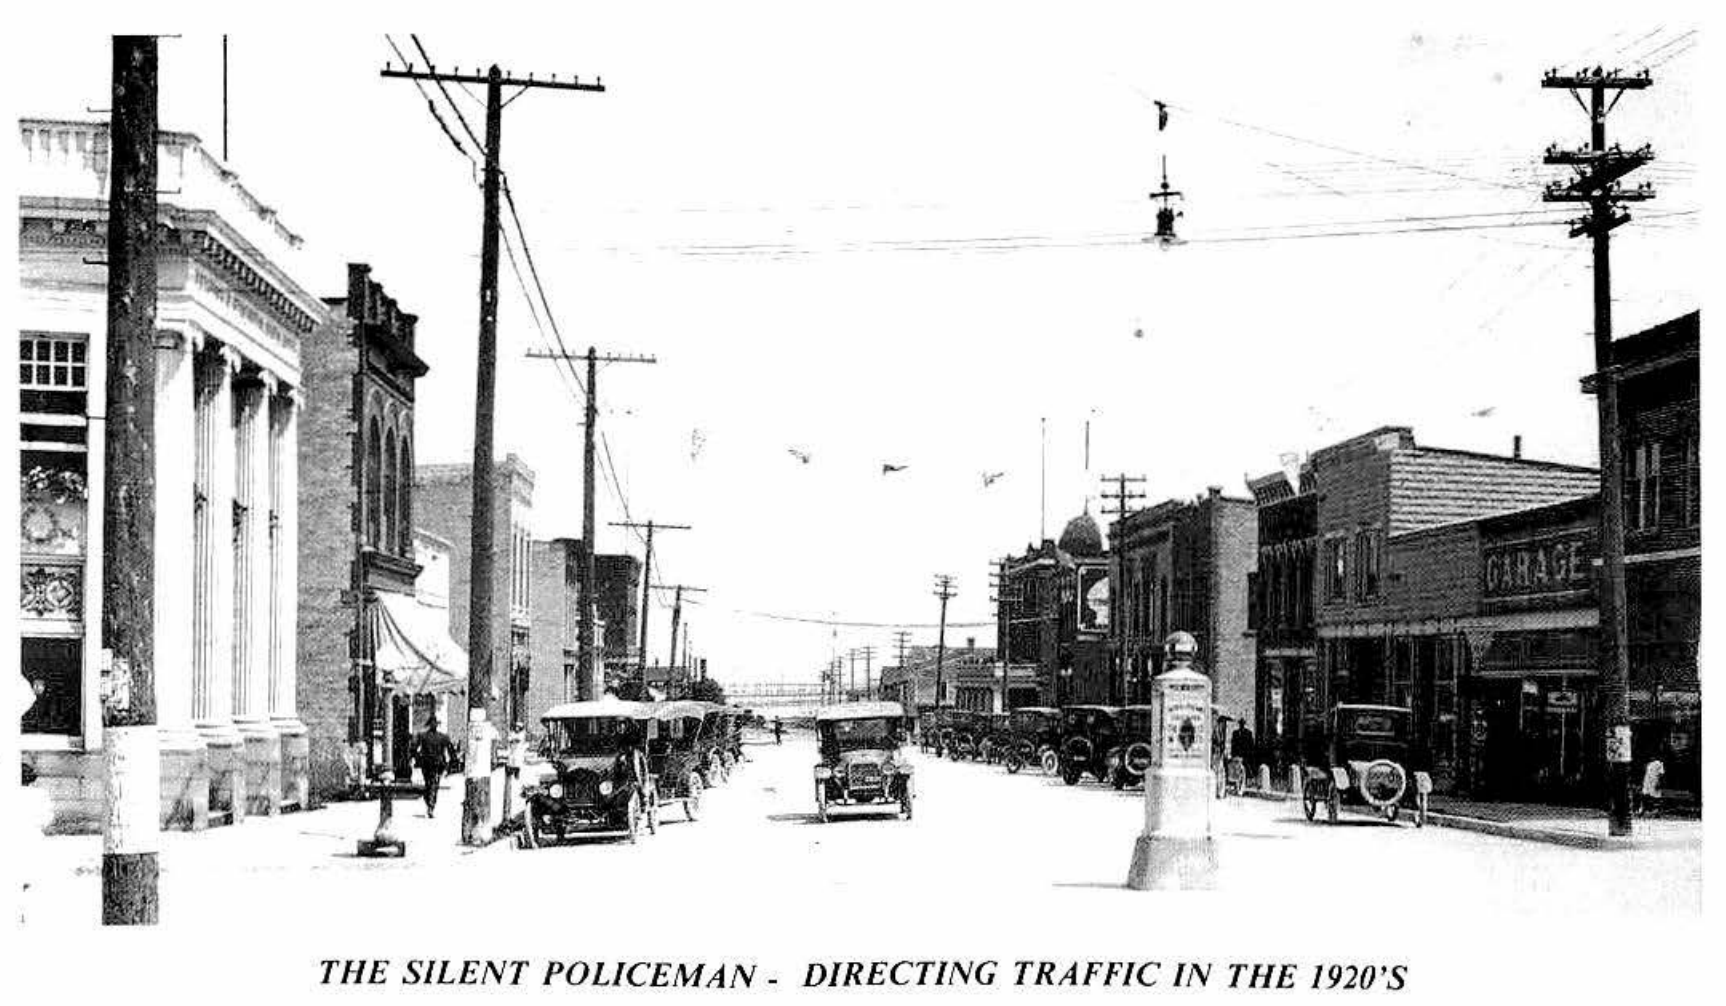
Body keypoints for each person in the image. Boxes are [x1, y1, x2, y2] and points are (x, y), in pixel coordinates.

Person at [410, 715, 458, 818]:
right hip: (434, 764)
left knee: (430, 784)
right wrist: (452, 763)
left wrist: (417, 758)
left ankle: (430, 804)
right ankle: (430, 804)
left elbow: (413, 749)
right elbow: (451, 752)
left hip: (429, 764)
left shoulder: (425, 736)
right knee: (433, 784)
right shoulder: (440, 737)